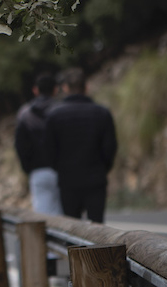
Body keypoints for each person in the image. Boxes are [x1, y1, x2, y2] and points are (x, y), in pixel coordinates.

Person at [44, 67, 117, 223]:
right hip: (96, 178)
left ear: (65, 88)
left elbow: (49, 151)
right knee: (98, 228)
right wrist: (102, 168)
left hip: (67, 180)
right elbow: (110, 148)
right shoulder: (102, 113)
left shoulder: (54, 116)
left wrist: (60, 168)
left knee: (72, 229)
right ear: (86, 87)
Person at [14, 72, 62, 215]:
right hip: (63, 169)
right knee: (66, 216)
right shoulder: (62, 110)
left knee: (42, 214)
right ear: (56, 89)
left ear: (35, 90)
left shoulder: (25, 114)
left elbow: (20, 145)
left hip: (38, 170)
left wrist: (27, 167)